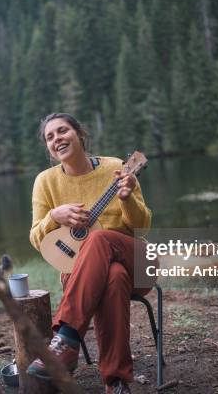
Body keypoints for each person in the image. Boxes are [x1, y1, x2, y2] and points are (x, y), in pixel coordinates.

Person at [27, 113, 152, 394]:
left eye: (62, 131)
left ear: (79, 134)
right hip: (90, 276)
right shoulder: (45, 182)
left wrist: (127, 198)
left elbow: (143, 227)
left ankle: (66, 338)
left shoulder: (118, 168)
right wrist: (54, 217)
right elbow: (37, 238)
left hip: (138, 261)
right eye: (50, 136)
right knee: (113, 277)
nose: (57, 138)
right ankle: (116, 382)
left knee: (98, 239)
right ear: (48, 147)